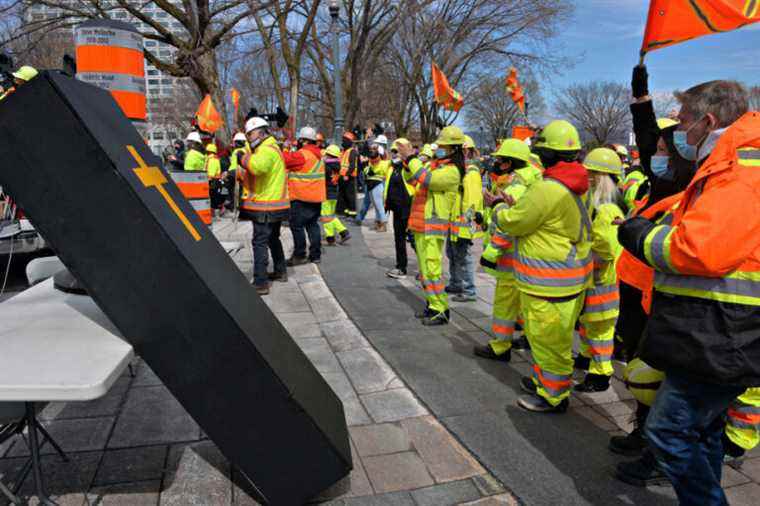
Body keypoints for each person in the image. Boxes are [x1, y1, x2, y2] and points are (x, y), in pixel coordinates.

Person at [617, 80, 760, 505]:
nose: (679, 134)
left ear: (707, 121)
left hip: (722, 331)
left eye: (682, 123)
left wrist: (641, 235)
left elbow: (700, 249)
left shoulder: (738, 170)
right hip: (718, 329)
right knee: (703, 428)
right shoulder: (728, 163)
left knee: (669, 430)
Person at [487, 120, 592, 413]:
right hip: (568, 275)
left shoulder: (547, 188)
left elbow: (513, 221)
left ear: (547, 154)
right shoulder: (580, 182)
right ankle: (544, 382)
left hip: (546, 281)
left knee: (548, 341)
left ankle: (553, 396)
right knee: (554, 338)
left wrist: (497, 206)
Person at [473, 138, 541, 362]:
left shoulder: (517, 187)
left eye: (500, 159)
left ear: (510, 163)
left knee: (504, 306)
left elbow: (507, 225)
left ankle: (500, 347)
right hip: (523, 258)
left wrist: (491, 253)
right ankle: (529, 341)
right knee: (523, 306)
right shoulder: (525, 182)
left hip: (510, 259)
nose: (496, 162)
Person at [573, 148, 625, 393]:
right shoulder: (601, 205)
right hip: (595, 278)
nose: (587, 178)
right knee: (589, 323)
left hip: (602, 280)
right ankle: (586, 358)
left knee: (601, 329)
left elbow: (604, 251)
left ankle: (600, 374)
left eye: (591, 174)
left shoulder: (605, 209)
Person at [406, 126, 463, 326]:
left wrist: (412, 159)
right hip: (420, 223)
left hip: (433, 225)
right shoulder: (435, 165)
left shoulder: (452, 172)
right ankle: (432, 304)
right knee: (425, 270)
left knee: (432, 270)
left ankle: (441, 309)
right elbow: (412, 180)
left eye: (443, 146)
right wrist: (413, 163)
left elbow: (427, 180)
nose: (438, 148)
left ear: (453, 149)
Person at [237, 116, 289, 295]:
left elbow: (258, 167)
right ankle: (281, 271)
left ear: (260, 132)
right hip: (272, 204)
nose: (248, 138)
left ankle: (260, 282)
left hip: (265, 205)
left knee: (260, 242)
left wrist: (242, 158)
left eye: (249, 134)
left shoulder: (266, 149)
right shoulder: (269, 147)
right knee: (273, 238)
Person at [445, 135, 483, 302]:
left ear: (465, 151)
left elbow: (472, 202)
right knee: (452, 254)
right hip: (455, 222)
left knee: (463, 256)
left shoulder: (471, 173)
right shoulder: (461, 170)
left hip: (463, 224)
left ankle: (469, 291)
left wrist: (467, 227)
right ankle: (455, 283)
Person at [283, 126, 326, 265]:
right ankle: (315, 255)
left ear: (303, 140)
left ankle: (300, 254)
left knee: (297, 226)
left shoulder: (302, 154)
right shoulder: (319, 155)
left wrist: (285, 148)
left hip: (301, 197)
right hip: (316, 197)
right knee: (313, 226)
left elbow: (284, 160)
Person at [384, 138, 416, 279]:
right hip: (396, 208)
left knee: (414, 240)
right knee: (399, 239)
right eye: (393, 151)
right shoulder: (391, 167)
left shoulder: (408, 166)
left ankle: (424, 268)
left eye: (398, 151)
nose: (395, 154)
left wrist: (408, 158)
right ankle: (401, 267)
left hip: (408, 207)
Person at [356, 141, 389, 232]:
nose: (372, 152)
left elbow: (385, 172)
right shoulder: (371, 163)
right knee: (376, 205)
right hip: (371, 184)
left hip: (377, 185)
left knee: (379, 205)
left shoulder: (383, 163)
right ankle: (378, 222)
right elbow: (367, 171)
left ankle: (383, 223)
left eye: (374, 150)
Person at [321, 144, 351, 246]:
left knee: (326, 217)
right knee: (331, 216)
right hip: (334, 193)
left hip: (326, 193)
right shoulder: (337, 166)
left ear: (329, 155)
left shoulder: (325, 167)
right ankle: (344, 233)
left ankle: (331, 238)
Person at [336, 131, 359, 217]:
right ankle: (345, 213)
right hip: (343, 177)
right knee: (344, 195)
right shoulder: (344, 151)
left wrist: (347, 174)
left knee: (350, 196)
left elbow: (352, 165)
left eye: (344, 140)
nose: (342, 142)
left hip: (349, 178)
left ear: (349, 142)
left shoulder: (352, 151)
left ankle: (352, 214)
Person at [205, 143, 224, 216]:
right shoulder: (214, 158)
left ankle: (214, 213)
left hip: (213, 181)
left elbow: (211, 173)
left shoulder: (212, 159)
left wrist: (207, 180)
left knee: (213, 197)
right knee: (215, 197)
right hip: (216, 180)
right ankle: (216, 211)